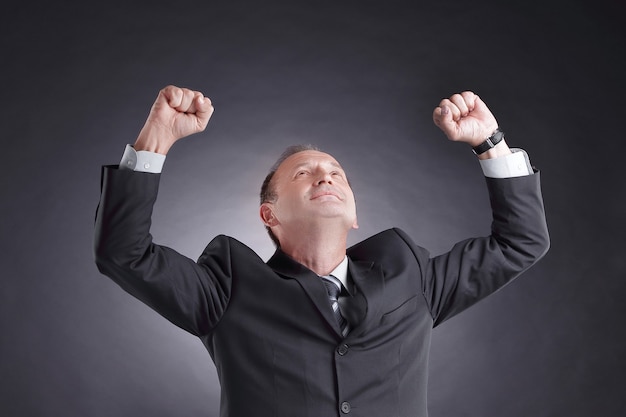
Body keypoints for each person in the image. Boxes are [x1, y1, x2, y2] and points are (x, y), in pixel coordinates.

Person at [94, 85, 549, 417]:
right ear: (268, 216)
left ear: (355, 215)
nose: (326, 177)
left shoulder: (412, 276)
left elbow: (520, 241)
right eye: (304, 174)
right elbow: (124, 253)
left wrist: (492, 144)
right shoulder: (227, 286)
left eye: (336, 173)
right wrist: (155, 141)